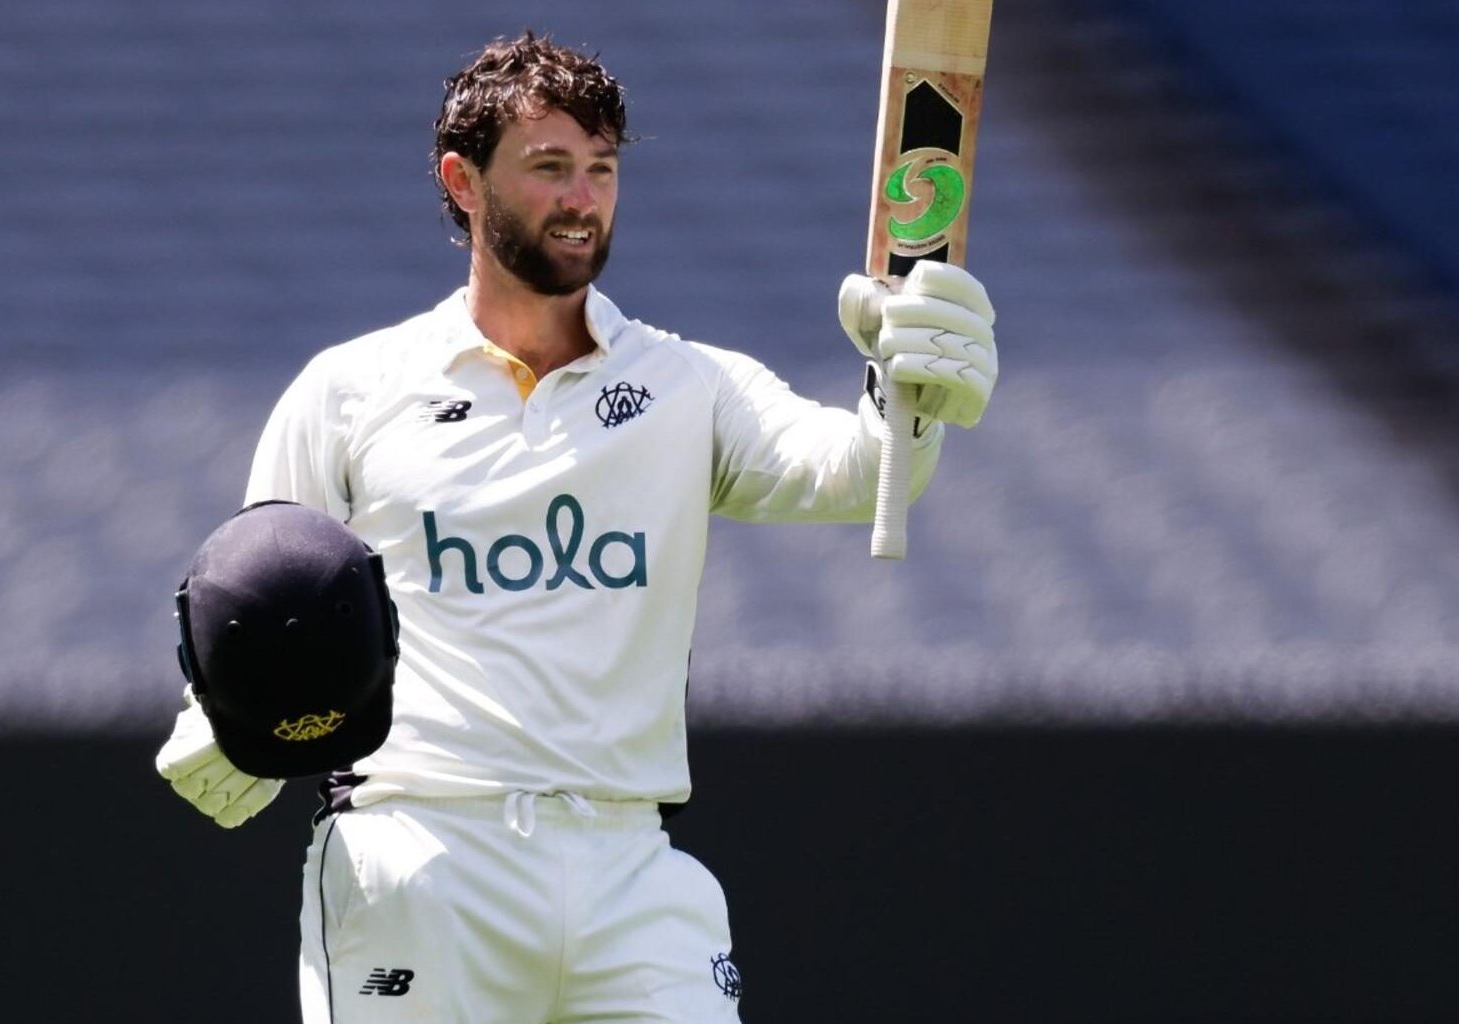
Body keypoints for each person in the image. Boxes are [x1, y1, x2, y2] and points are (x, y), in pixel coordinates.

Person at [156, 31, 999, 1024]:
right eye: (550, 167)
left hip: (629, 865)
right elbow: (261, 587)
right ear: (462, 182)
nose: (582, 198)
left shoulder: (685, 383)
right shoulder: (349, 392)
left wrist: (911, 392)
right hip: (422, 854)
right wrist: (224, 721)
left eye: (600, 170)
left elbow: (859, 471)